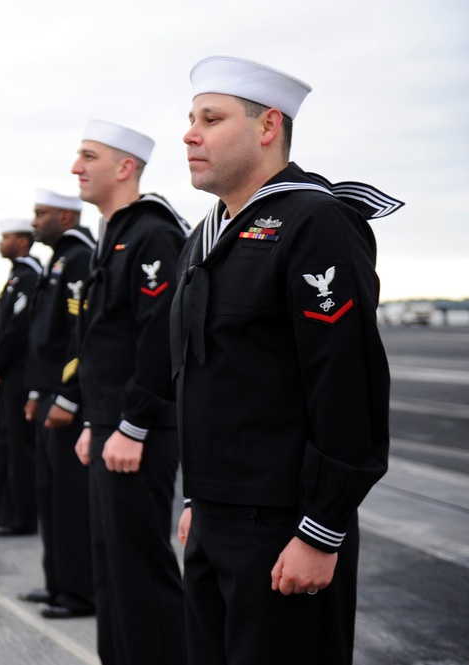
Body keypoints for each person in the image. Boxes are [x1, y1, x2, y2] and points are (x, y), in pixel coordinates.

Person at [171, 55, 402, 665]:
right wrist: (198, 501)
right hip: (214, 517)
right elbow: (205, 375)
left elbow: (347, 384)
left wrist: (322, 530)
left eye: (211, 119)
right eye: (191, 119)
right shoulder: (204, 238)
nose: (189, 134)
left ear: (268, 126)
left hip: (283, 529)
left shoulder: (316, 222)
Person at [71, 119, 189, 665]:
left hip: (137, 432)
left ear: (125, 168)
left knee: (140, 572)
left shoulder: (152, 233)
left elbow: (160, 337)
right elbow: (107, 342)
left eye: (88, 157)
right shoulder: (114, 233)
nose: (76, 167)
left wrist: (132, 425)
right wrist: (94, 422)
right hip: (111, 426)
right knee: (111, 569)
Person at [20, 188, 96, 620]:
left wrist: (67, 396)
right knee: (50, 495)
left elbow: (79, 334)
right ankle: (58, 582)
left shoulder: (80, 257)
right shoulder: (60, 258)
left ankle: (79, 592)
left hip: (69, 398)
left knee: (70, 500)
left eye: (41, 213)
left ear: (66, 217)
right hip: (50, 393)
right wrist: (36, 393)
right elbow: (43, 335)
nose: (34, 222)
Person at [0, 218, 42, 536]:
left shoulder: (29, 277)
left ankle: (20, 517)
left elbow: (17, 329)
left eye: (5, 237)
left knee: (19, 448)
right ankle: (7, 514)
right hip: (10, 373)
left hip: (19, 374)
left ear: (21, 242)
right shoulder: (18, 275)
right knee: (7, 444)